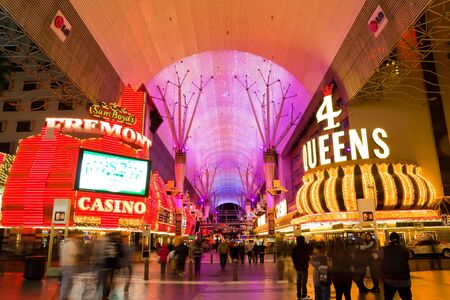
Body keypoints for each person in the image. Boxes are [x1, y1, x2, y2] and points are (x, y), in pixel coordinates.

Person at [381, 232, 412, 300]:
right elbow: (409, 257)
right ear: (399, 239)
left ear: (390, 239)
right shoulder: (405, 249)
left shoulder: (385, 249)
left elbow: (378, 258)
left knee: (388, 297)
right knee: (407, 297)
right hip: (404, 279)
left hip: (390, 279)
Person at [59, 231, 83, 300]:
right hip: (70, 265)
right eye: (76, 235)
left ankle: (63, 296)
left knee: (65, 281)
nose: (77, 237)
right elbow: (73, 254)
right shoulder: (71, 243)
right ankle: (69, 296)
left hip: (64, 264)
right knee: (72, 282)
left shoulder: (64, 243)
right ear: (73, 235)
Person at [292, 236, 312, 300]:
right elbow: (308, 257)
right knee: (303, 282)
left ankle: (298, 295)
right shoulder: (305, 248)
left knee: (298, 281)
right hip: (304, 267)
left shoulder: (295, 248)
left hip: (298, 268)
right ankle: (304, 295)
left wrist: (295, 264)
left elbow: (293, 257)